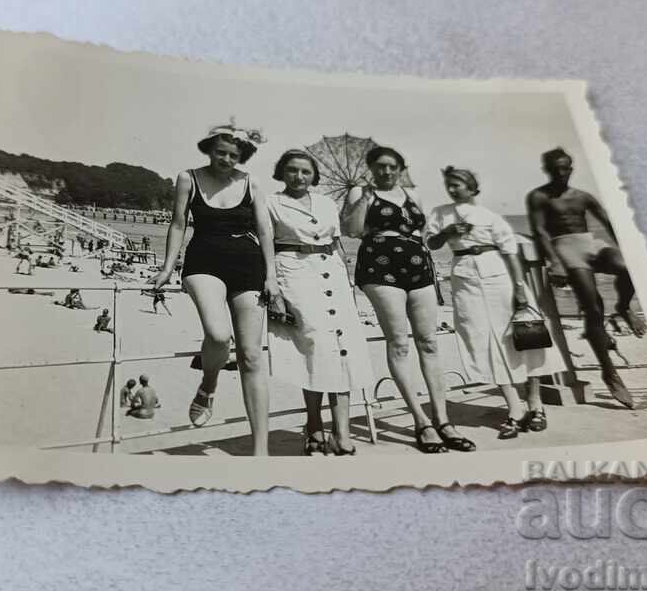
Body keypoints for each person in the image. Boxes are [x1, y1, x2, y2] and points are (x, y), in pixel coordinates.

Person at [147, 121, 277, 456]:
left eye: (233, 154)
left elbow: (264, 230)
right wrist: (166, 267)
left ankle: (260, 451)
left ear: (242, 155)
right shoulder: (188, 178)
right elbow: (178, 223)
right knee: (218, 335)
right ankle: (208, 386)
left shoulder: (251, 182)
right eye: (220, 152)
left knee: (251, 356)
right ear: (209, 149)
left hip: (249, 264)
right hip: (203, 260)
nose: (226, 159)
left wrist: (272, 276)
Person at [341, 145, 475, 454]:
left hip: (418, 265)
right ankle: (421, 421)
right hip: (380, 265)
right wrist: (363, 195)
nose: (386, 171)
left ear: (401, 168)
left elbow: (424, 235)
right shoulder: (362, 193)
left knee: (429, 343)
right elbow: (353, 230)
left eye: (392, 166)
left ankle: (443, 420)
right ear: (371, 168)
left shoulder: (413, 195)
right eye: (380, 166)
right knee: (399, 342)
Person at [425, 166, 565, 439]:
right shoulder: (440, 213)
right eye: (449, 185)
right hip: (464, 276)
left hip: (497, 275)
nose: (452, 189)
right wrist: (449, 232)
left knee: (525, 337)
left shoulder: (490, 217)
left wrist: (520, 289)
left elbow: (511, 253)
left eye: (457, 184)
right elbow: (432, 243)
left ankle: (535, 405)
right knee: (482, 340)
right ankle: (514, 409)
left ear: (472, 186)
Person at [265, 149, 373, 456]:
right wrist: (272, 288)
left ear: (314, 175)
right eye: (292, 170)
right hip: (295, 273)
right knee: (313, 347)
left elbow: (338, 242)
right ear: (281, 173)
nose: (299, 177)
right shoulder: (271, 203)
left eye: (305, 171)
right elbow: (265, 245)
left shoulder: (326, 203)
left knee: (344, 350)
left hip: (333, 274)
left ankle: (342, 433)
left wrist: (348, 281)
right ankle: (314, 426)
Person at [526, 148, 646, 409]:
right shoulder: (539, 196)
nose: (562, 173)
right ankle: (609, 371)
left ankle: (623, 307)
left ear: (571, 167)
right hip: (565, 248)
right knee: (593, 307)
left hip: (589, 243)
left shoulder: (583, 197)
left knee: (627, 267)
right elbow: (539, 231)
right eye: (556, 169)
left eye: (566, 167)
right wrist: (555, 262)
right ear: (547, 169)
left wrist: (629, 248)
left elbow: (610, 224)